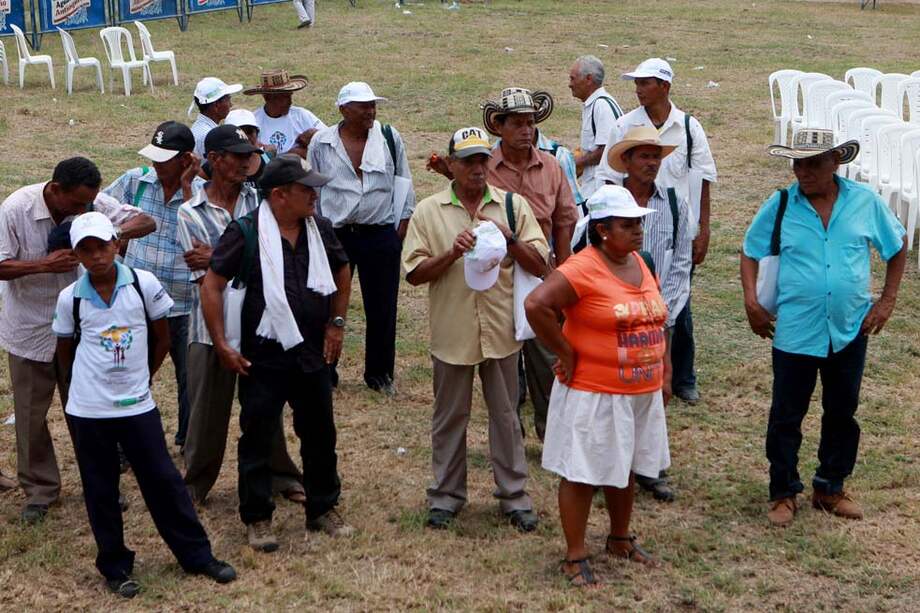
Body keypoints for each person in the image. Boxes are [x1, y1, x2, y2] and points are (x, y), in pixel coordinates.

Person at [52, 212, 237, 598]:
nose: (97, 256)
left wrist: (142, 378)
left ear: (116, 244)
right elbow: (65, 352)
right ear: (77, 255)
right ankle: (115, 566)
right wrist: (84, 391)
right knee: (100, 489)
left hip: (137, 406)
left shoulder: (143, 284)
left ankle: (197, 556)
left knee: (164, 481)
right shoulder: (71, 299)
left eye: (103, 246)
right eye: (86, 250)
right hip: (90, 411)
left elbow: (162, 339)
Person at [740, 129, 907, 527]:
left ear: (835, 163)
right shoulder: (781, 204)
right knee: (786, 414)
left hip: (848, 328)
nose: (803, 172)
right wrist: (751, 303)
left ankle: (830, 487)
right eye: (797, 164)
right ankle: (783, 491)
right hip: (796, 329)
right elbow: (750, 251)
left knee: (842, 412)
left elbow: (897, 246)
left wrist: (886, 301)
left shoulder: (864, 202)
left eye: (813, 163)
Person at [200, 154, 354, 551]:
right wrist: (222, 343)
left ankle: (323, 507)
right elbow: (212, 284)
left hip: (313, 353)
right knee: (257, 435)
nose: (315, 196)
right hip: (263, 356)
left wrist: (336, 323)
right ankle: (257, 517)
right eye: (307, 189)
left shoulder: (319, 228)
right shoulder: (246, 231)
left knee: (320, 433)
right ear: (280, 195)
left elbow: (342, 269)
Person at [402, 127, 547, 532]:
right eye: (468, 161)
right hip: (453, 332)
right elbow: (413, 273)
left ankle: (514, 497)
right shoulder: (429, 211)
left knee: (506, 417)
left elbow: (540, 264)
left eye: (483, 159)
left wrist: (510, 240)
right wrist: (451, 252)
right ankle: (446, 497)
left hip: (500, 332)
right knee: (449, 417)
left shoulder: (512, 207)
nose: (478, 168)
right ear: (451, 165)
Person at [525, 185, 670, 586]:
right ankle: (575, 555)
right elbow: (536, 305)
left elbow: (657, 319)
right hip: (595, 391)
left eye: (639, 223)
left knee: (626, 465)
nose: (638, 230)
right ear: (603, 230)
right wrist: (565, 351)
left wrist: (665, 370)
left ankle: (620, 538)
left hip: (639, 390)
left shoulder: (640, 261)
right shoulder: (582, 267)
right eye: (628, 224)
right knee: (582, 471)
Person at [0, 157, 155, 524]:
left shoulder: (92, 205)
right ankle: (40, 491)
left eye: (88, 203)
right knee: (30, 418)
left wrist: (107, 234)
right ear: (55, 189)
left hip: (84, 332)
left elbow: (146, 221)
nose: (82, 209)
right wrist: (43, 265)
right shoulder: (16, 209)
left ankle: (102, 485)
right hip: (30, 329)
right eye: (76, 204)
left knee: (92, 415)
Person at [177, 126, 304, 506]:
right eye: (238, 156)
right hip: (209, 326)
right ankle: (195, 483)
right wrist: (241, 254)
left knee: (267, 406)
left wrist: (218, 255)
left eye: (249, 155)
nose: (247, 162)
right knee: (206, 412)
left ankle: (281, 475)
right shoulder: (190, 212)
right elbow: (206, 278)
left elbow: (274, 255)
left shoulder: (261, 198)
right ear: (215, 159)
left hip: (261, 322)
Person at [598, 58, 718, 405]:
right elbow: (608, 177)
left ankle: (682, 376)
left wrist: (703, 230)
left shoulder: (688, 127)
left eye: (644, 82)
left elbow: (703, 179)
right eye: (637, 83)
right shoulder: (625, 125)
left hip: (674, 227)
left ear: (664, 86)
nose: (638, 89)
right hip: (629, 227)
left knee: (678, 304)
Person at [478, 87, 578, 441]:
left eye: (531, 123)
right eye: (518, 123)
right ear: (499, 126)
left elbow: (565, 220)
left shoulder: (551, 166)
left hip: (541, 272)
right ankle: (509, 434)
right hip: (497, 274)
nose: (526, 130)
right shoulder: (484, 167)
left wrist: (562, 272)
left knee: (546, 355)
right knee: (501, 356)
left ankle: (551, 433)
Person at [308, 81, 415, 394]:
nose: (371, 111)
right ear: (344, 110)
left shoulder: (389, 137)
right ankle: (324, 371)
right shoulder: (322, 142)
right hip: (335, 233)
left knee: (382, 307)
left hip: (379, 231)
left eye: (373, 105)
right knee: (326, 303)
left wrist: (400, 228)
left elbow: (404, 180)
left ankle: (380, 374)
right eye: (363, 106)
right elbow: (312, 188)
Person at [103, 121, 204, 448]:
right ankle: (124, 446)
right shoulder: (136, 181)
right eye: (154, 157)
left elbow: (202, 237)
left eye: (165, 159)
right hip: (138, 303)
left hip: (188, 304)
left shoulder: (202, 192)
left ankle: (189, 443)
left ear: (186, 160)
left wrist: (187, 187)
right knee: (129, 376)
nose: (156, 165)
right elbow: (99, 213)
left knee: (191, 381)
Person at [607, 126, 693, 502]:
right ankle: (612, 467)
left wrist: (662, 311)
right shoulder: (606, 201)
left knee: (655, 391)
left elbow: (682, 263)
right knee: (614, 394)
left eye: (656, 156)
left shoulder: (674, 203)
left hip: (658, 317)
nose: (652, 163)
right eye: (644, 156)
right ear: (626, 160)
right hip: (614, 317)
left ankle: (649, 468)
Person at [568, 55, 623, 198]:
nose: (570, 84)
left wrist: (576, 163)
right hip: (594, 187)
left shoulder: (602, 105)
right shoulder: (595, 104)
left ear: (588, 79)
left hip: (601, 190)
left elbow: (607, 150)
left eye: (573, 79)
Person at [246, 70, 326, 158]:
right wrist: (291, 155)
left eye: (290, 96)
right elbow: (252, 158)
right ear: (267, 97)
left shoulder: (301, 115)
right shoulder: (253, 122)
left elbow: (328, 138)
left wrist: (314, 135)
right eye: (285, 97)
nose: (290, 102)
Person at [189, 77, 243, 158]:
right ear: (216, 106)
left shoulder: (201, 128)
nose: (231, 105)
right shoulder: (209, 135)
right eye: (228, 100)